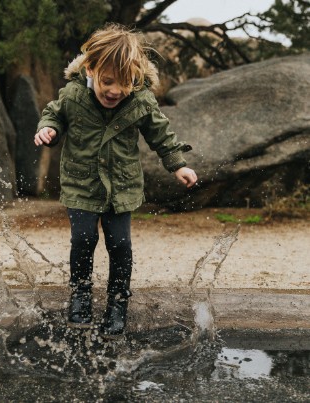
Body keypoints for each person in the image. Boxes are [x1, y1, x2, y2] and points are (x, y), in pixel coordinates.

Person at [34, 23, 197, 338]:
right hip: (81, 183)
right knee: (83, 240)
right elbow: (53, 114)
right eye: (108, 82)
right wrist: (49, 129)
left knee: (120, 245)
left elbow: (160, 134)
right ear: (92, 69)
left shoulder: (140, 100)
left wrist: (178, 164)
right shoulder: (73, 95)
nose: (115, 91)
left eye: (124, 83)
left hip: (121, 186)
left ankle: (118, 303)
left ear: (134, 76)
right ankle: (80, 295)